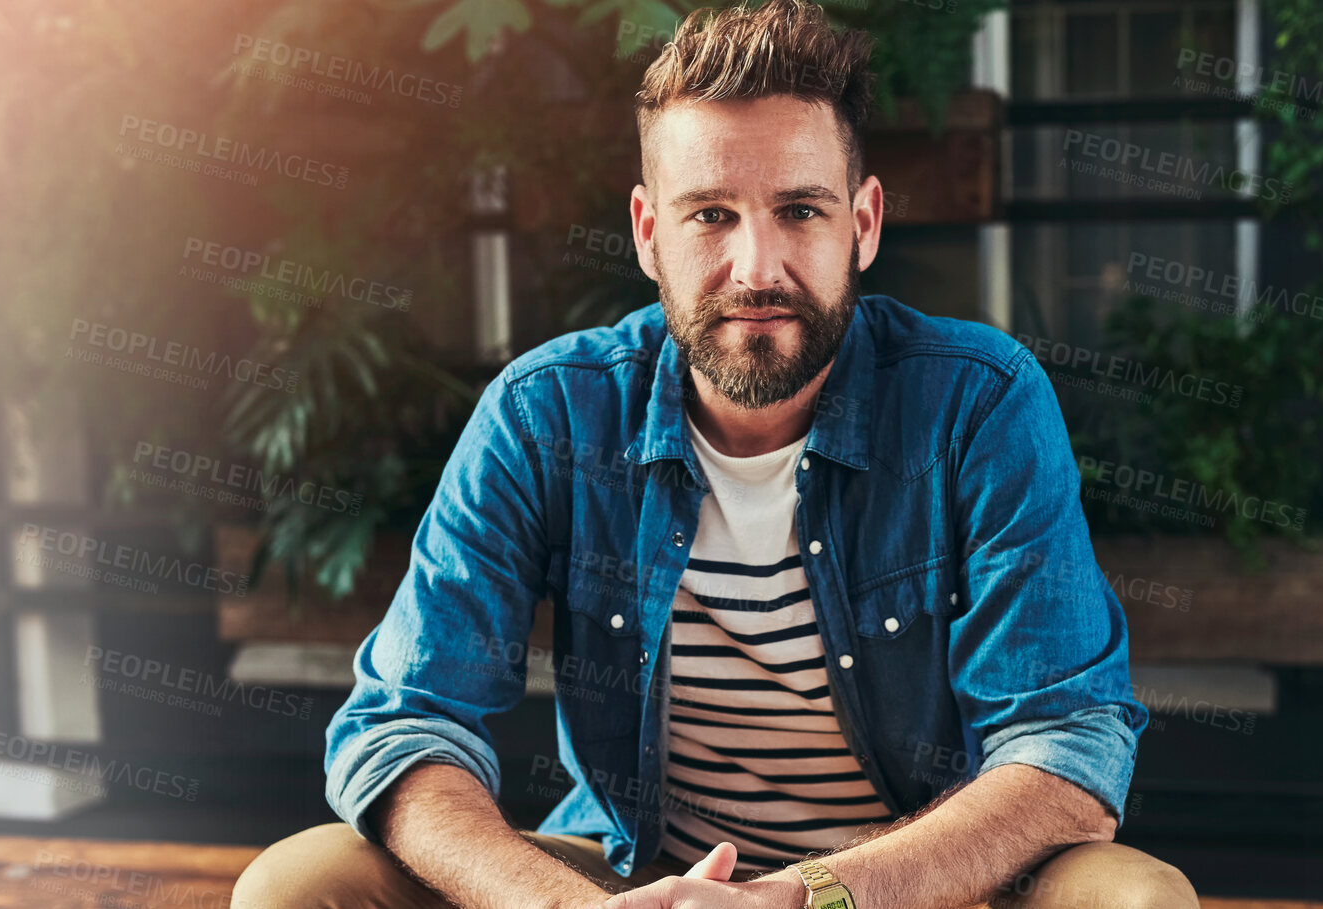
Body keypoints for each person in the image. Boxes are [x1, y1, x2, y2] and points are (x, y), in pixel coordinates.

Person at [233, 1, 1198, 906]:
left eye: (799, 211)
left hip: (921, 884)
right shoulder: (546, 413)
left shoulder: (978, 401)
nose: (756, 268)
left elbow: (1065, 745)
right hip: (635, 871)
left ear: (861, 223)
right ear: (649, 234)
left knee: (1137, 897)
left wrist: (808, 895)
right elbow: (406, 721)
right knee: (300, 882)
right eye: (710, 215)